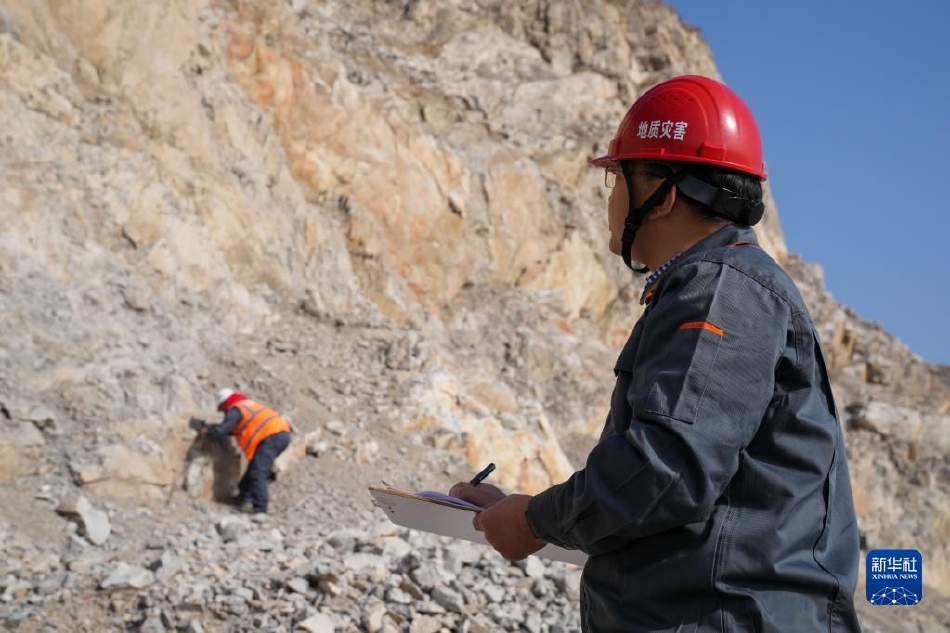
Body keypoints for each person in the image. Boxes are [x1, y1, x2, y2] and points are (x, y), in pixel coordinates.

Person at [450, 75, 861, 632]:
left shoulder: (721, 291)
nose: (612, 197)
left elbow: (665, 469)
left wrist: (536, 520)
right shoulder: (715, 285)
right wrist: (523, 511)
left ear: (663, 195)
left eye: (618, 177)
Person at [202, 388, 293, 514]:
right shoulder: (247, 405)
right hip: (280, 434)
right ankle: (243, 497)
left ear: (224, 403)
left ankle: (260, 509)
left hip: (271, 436)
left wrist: (209, 431)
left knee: (258, 471)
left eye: (222, 409)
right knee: (254, 468)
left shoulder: (235, 409)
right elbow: (237, 428)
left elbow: (222, 430)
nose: (224, 412)